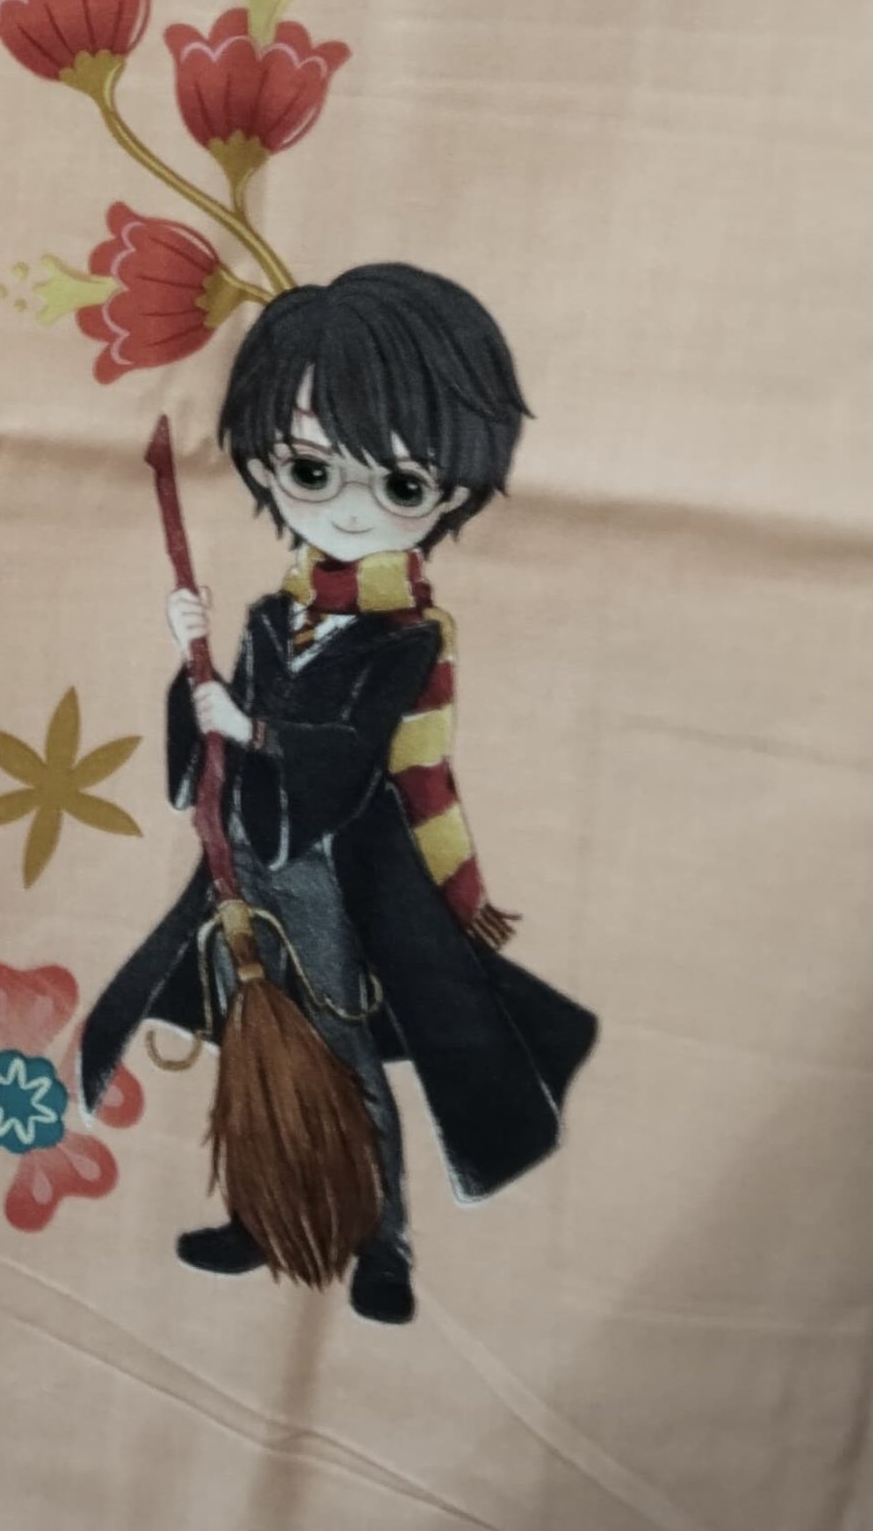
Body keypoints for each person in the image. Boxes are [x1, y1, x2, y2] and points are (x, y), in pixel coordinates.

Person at [79, 263, 597, 1324]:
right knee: (253, 1045)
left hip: (335, 877)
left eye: (401, 486)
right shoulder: (280, 615)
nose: (353, 508)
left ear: (450, 489)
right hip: (244, 860)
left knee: (345, 1054)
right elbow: (212, 736)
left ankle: (383, 1241)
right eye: (312, 469)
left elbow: (350, 750)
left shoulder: (405, 637)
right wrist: (193, 662)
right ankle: (263, 1211)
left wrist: (251, 730)